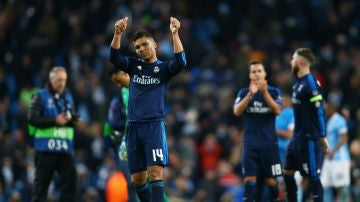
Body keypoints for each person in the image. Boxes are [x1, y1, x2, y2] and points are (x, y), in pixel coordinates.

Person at [109, 16, 187, 202]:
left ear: (154, 44)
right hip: (133, 128)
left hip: (153, 126)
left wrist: (175, 34)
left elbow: (181, 62)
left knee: (154, 174)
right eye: (137, 47)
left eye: (144, 44)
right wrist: (117, 34)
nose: (141, 49)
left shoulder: (164, 69)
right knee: (137, 181)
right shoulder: (134, 66)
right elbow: (114, 57)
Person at [283, 47, 330, 202]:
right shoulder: (297, 84)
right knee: (287, 172)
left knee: (312, 177)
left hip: (309, 138)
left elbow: (320, 111)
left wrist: (322, 137)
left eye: (293, 58)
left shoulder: (311, 84)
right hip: (296, 137)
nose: (291, 62)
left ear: (301, 61)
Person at [27, 66, 79, 202]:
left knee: (71, 179)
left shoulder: (68, 97)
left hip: (64, 148)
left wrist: (74, 119)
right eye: (59, 80)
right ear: (51, 79)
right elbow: (32, 118)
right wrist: (54, 120)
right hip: (45, 149)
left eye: (64, 80)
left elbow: (70, 118)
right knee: (41, 187)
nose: (61, 83)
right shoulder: (40, 96)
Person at [233, 61, 282, 202]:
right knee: (249, 178)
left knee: (271, 181)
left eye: (259, 71)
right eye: (254, 72)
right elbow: (236, 111)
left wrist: (264, 92)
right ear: (250, 75)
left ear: (264, 73)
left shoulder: (274, 91)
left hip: (269, 144)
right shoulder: (243, 92)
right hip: (251, 144)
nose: (257, 74)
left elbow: (277, 110)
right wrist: (250, 95)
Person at [103, 69, 136, 202]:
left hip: (137, 144)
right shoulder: (117, 102)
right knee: (132, 182)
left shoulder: (137, 96)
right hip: (123, 145)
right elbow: (112, 124)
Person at [320, 100, 351, 202]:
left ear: (331, 109)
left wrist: (334, 151)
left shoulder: (339, 120)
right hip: (329, 159)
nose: (325, 110)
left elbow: (344, 138)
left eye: (326, 108)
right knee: (324, 184)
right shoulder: (329, 120)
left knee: (341, 186)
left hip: (339, 159)